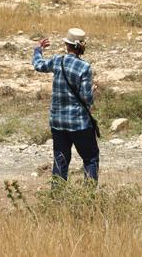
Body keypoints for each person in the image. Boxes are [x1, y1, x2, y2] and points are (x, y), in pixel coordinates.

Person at [33, 28, 99, 182]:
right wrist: (92, 91)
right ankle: (89, 197)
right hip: (79, 123)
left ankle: (57, 197)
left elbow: (38, 65)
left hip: (58, 122)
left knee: (60, 159)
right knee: (90, 159)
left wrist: (38, 49)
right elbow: (86, 99)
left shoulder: (57, 61)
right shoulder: (85, 68)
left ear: (67, 45)